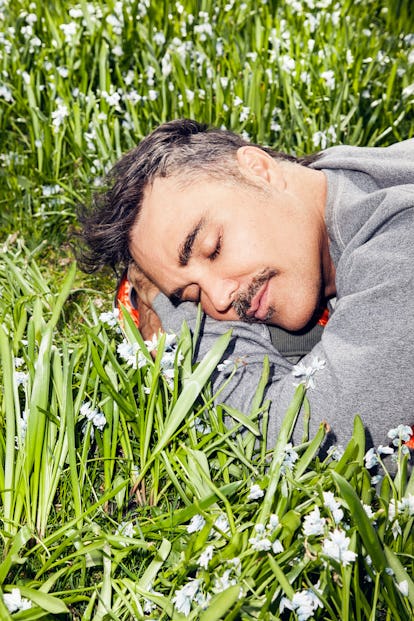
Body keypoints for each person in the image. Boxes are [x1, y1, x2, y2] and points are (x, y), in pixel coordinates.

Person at [79, 118, 414, 457]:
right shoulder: (337, 178)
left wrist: (171, 317)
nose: (220, 298)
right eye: (191, 296)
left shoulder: (401, 243)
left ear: (259, 169)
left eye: (213, 248)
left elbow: (301, 439)